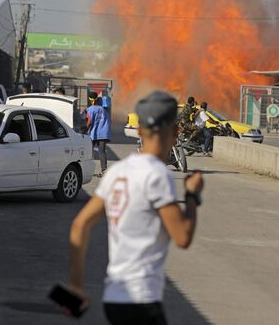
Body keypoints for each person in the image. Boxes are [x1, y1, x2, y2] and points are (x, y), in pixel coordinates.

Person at [67, 91, 204, 325]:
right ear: (174, 132)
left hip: (114, 299)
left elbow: (80, 225)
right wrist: (192, 196)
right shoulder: (158, 175)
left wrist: (77, 287)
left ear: (139, 131)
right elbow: (182, 237)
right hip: (143, 300)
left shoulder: (117, 172)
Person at [86, 92, 111, 176]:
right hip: (104, 134)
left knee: (89, 151)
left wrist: (84, 130)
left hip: (94, 134)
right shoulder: (103, 109)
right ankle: (104, 171)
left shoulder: (90, 109)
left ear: (90, 99)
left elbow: (89, 122)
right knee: (102, 152)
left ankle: (86, 170)